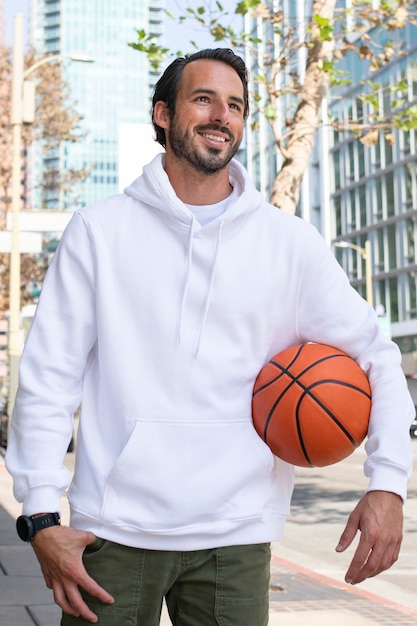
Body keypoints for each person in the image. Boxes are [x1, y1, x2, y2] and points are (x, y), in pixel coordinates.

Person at [5, 48, 414, 626]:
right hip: (114, 531)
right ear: (163, 115)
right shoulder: (99, 232)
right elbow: (49, 379)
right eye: (203, 99)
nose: (222, 114)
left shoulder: (289, 245)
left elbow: (375, 356)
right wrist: (42, 516)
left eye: (236, 105)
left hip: (237, 532)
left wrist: (389, 482)